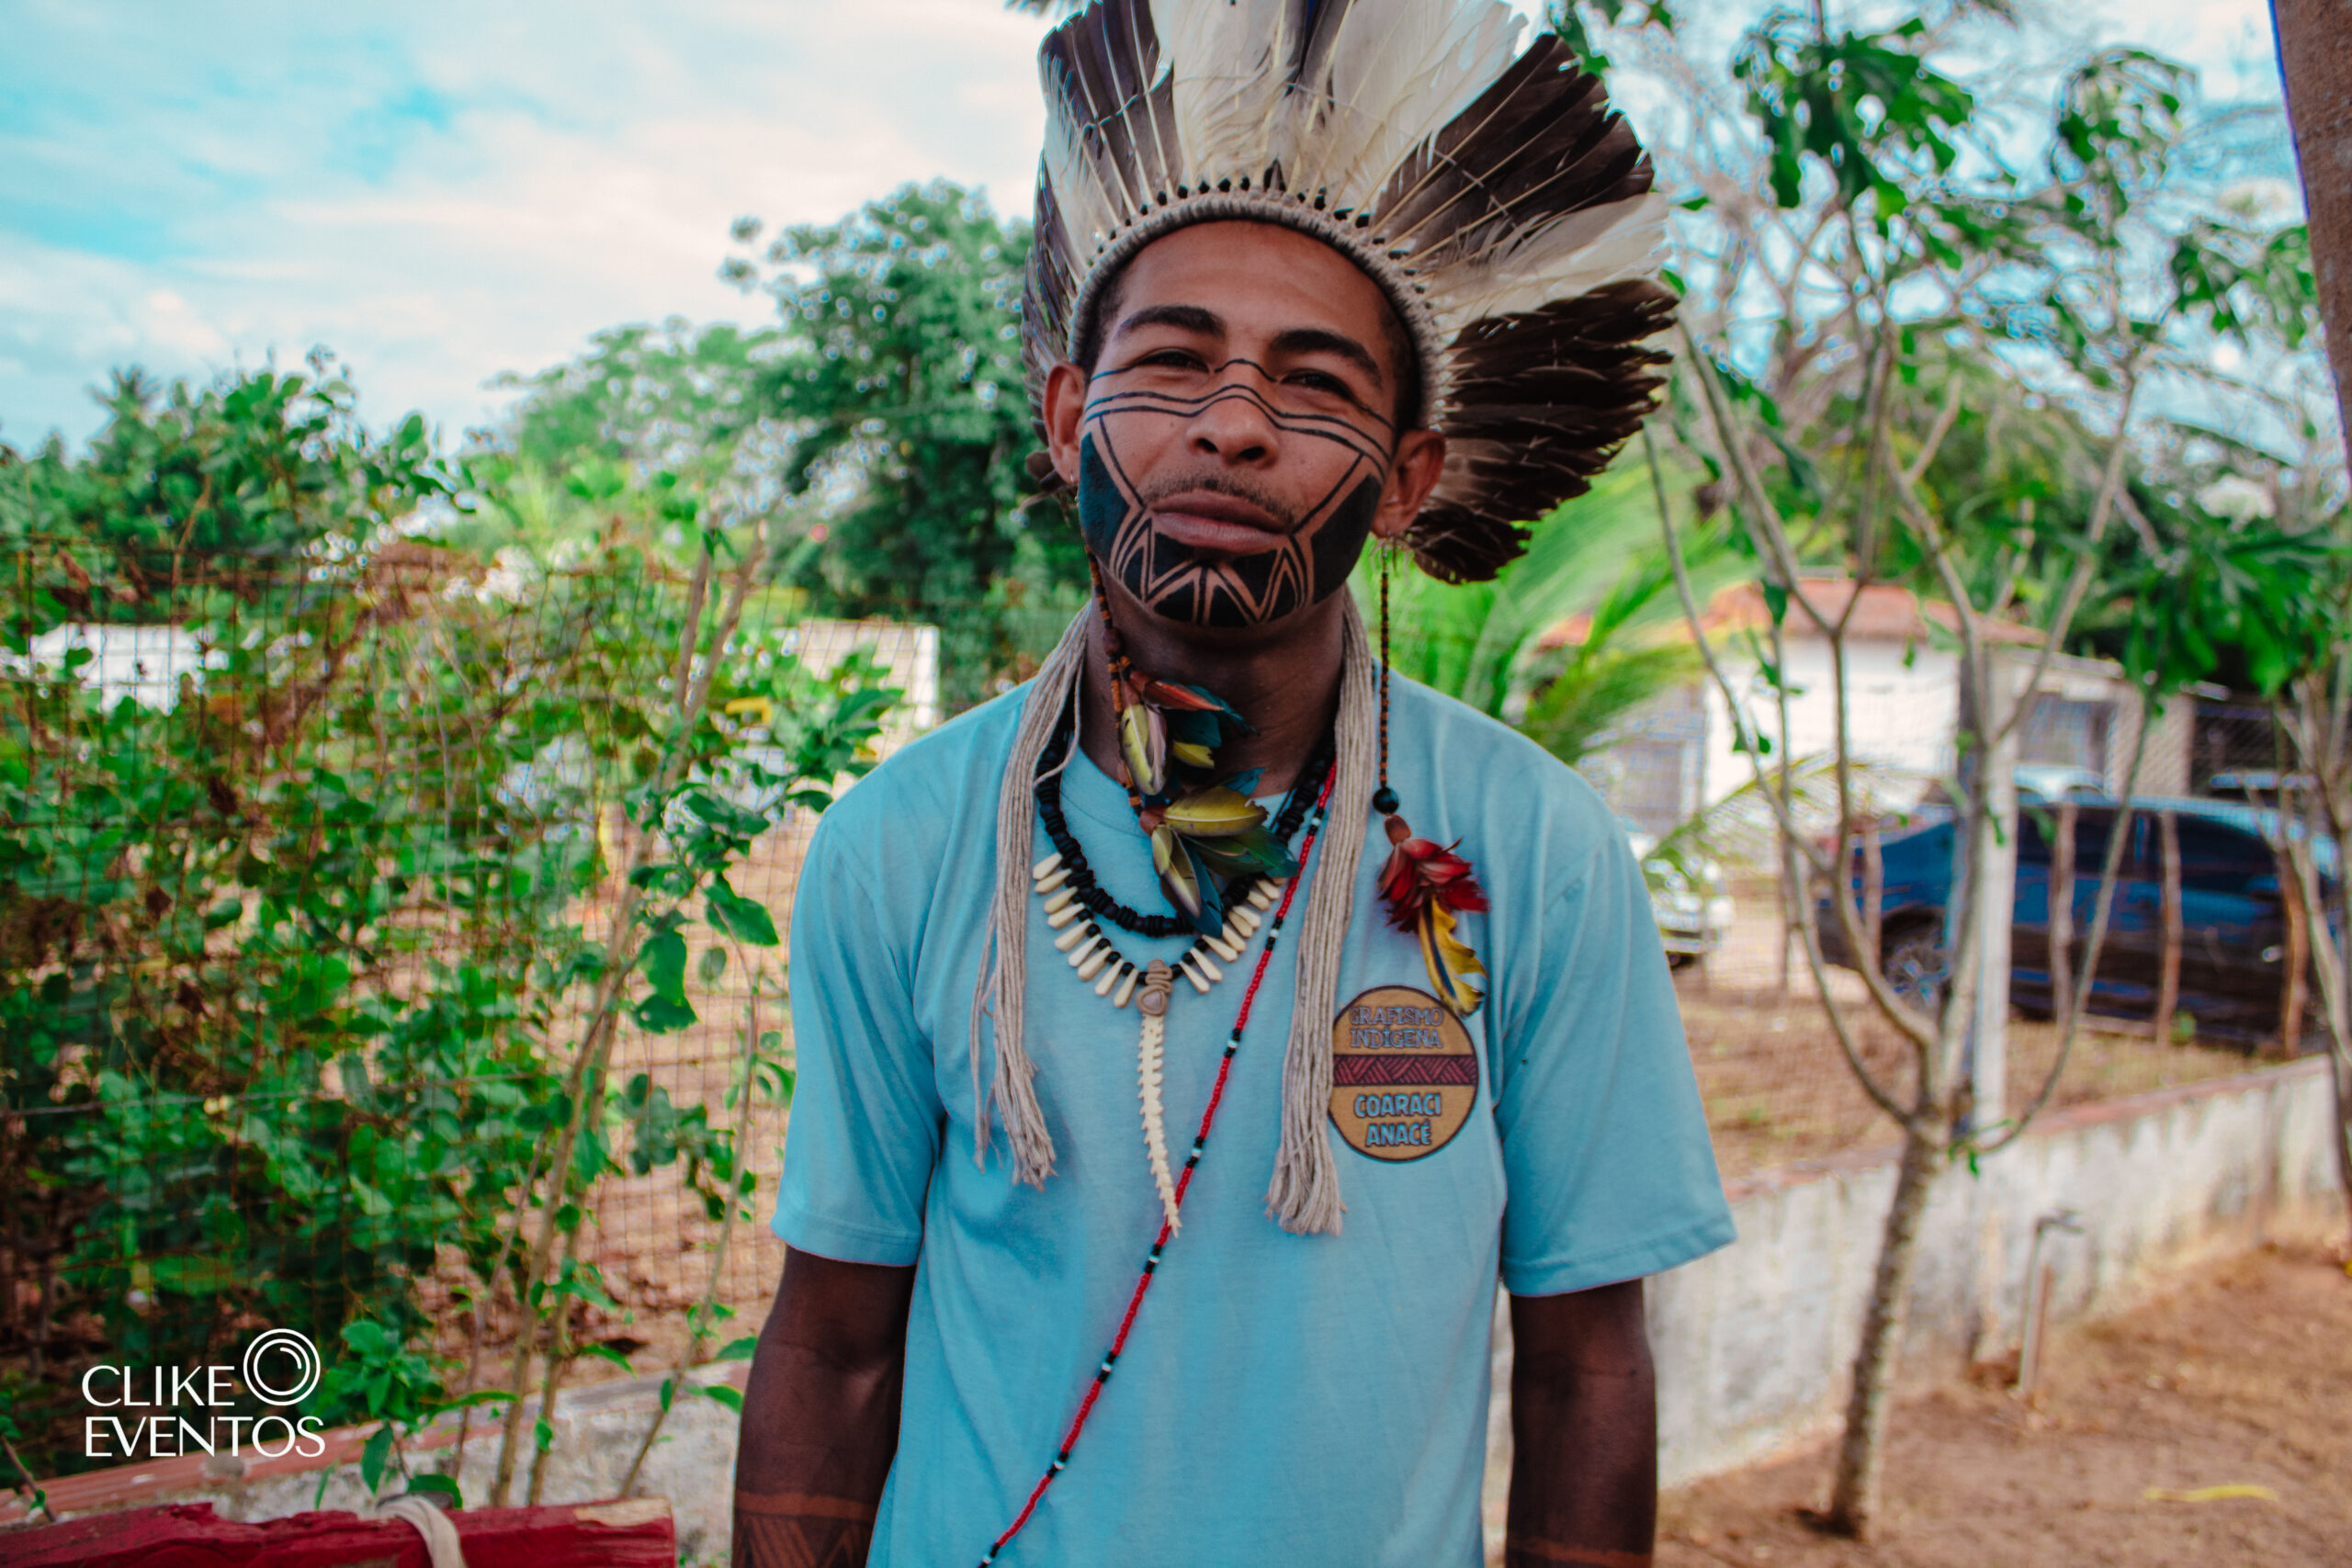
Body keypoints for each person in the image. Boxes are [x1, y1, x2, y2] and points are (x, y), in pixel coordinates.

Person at [733, 3, 1733, 1563]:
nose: (1235, 425)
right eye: (1175, 361)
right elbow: (834, 1342)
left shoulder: (1533, 851)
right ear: (1069, 418)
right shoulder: (904, 844)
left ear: (1409, 479)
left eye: (1316, 387)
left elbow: (1589, 1361)